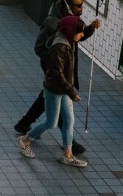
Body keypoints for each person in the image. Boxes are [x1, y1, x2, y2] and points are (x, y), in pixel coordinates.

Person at [14, 0, 100, 155]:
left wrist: (89, 29)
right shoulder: (52, 23)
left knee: (48, 95)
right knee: (58, 96)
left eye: (82, 5)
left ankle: (24, 124)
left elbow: (77, 36)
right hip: (54, 67)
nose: (81, 9)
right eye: (78, 6)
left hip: (63, 65)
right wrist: (56, 60)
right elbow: (39, 47)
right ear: (66, 6)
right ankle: (70, 143)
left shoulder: (69, 19)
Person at [16, 15, 88, 168]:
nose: (82, 35)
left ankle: (68, 154)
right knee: (51, 122)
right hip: (55, 91)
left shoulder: (68, 40)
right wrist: (71, 91)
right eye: (80, 32)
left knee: (69, 121)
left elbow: (80, 35)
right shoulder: (59, 47)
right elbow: (57, 73)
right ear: (71, 31)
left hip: (64, 89)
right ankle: (25, 140)